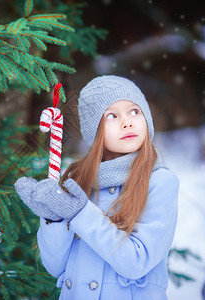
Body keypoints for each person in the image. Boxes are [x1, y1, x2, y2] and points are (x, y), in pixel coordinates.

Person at [15, 75, 179, 299]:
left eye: (134, 111)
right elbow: (55, 267)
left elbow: (137, 262)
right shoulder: (80, 183)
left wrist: (80, 214)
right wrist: (53, 219)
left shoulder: (159, 181)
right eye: (112, 115)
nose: (127, 122)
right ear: (95, 130)